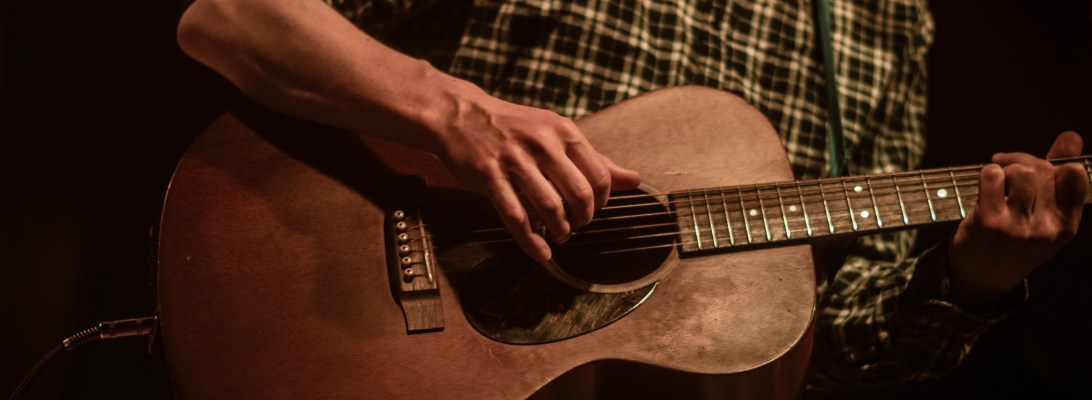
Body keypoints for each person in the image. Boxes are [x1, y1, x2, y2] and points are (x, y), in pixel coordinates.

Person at [175, 0, 1088, 393]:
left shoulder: (886, 18)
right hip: (358, 327)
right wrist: (457, 112)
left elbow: (824, 337)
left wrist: (975, 276)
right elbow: (229, 19)